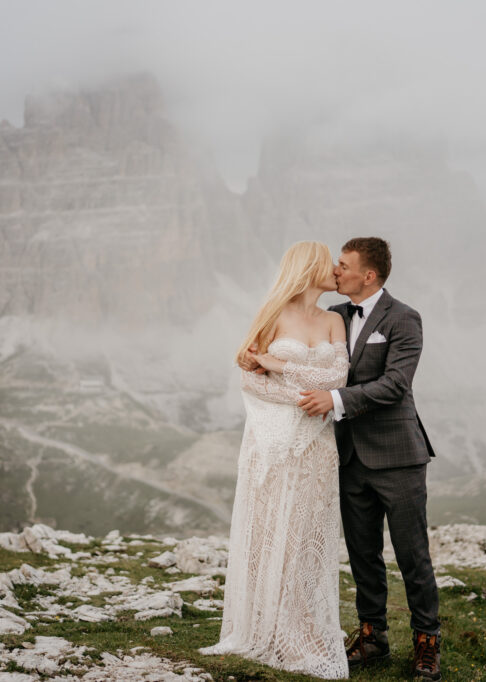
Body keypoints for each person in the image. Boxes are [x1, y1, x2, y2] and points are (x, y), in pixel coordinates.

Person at [277, 237, 442, 681]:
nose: (335, 271)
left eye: (344, 265)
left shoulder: (404, 318)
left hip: (397, 456)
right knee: (362, 554)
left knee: (412, 554)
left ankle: (427, 644)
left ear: (368, 275)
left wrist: (333, 399)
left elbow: (395, 385)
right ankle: (372, 638)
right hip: (348, 456)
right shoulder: (336, 316)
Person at [199, 241, 350, 679]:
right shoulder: (273, 312)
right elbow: (250, 379)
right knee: (270, 534)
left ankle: (304, 632)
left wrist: (280, 366)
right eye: (329, 265)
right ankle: (263, 628)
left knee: (305, 537)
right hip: (273, 443)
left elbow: (338, 376)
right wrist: (302, 398)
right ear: (309, 269)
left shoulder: (334, 320)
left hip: (318, 446)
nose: (336, 271)